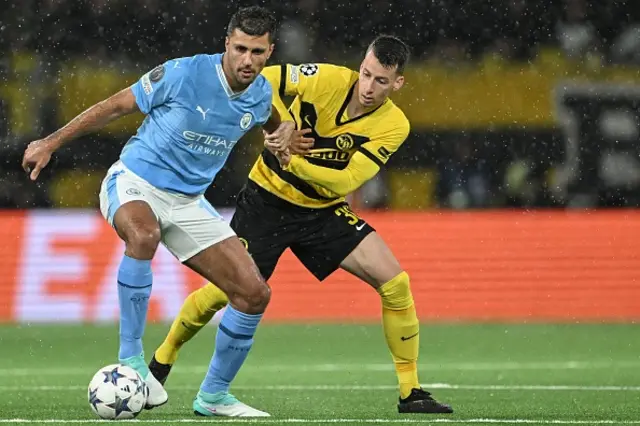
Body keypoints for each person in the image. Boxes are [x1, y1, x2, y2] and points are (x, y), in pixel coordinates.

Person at [148, 35, 454, 414]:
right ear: (361, 64)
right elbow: (267, 80)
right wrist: (284, 124)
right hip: (266, 201)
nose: (369, 87)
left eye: (381, 81)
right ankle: (163, 359)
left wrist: (290, 156)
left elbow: (345, 181)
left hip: (321, 210)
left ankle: (411, 392)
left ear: (398, 83)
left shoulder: (394, 125)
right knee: (222, 293)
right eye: (366, 74)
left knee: (395, 283)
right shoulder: (325, 79)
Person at [21, 6, 290, 418]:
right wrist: (51, 142)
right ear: (226, 44)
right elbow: (115, 106)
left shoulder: (259, 94)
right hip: (134, 182)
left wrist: (281, 137)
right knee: (143, 236)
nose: (247, 60)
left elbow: (271, 120)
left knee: (254, 294)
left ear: (270, 51)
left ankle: (214, 396)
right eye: (240, 49)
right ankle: (131, 361)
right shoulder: (183, 74)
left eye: (257, 51)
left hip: (188, 203)